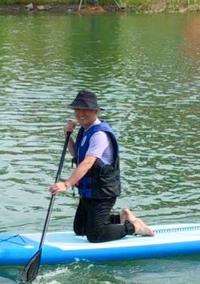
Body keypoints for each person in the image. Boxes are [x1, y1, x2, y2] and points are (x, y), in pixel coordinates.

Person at [48, 90, 155, 242]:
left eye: (85, 109)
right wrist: (68, 136)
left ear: (96, 111)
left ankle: (135, 227)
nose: (80, 113)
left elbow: (87, 163)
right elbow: (77, 155)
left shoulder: (99, 134)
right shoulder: (85, 131)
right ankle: (120, 218)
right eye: (77, 109)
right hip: (90, 191)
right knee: (80, 229)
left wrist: (66, 184)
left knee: (95, 235)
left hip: (103, 191)